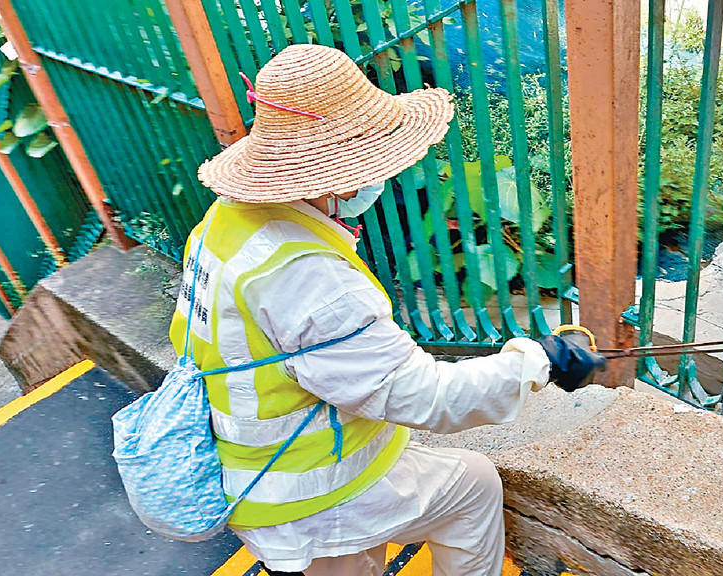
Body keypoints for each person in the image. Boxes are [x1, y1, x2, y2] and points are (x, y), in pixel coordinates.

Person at [168, 44, 605, 576]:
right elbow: (423, 397)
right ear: (339, 172)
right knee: (471, 488)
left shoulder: (227, 223)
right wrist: (539, 361)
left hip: (249, 463)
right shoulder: (311, 278)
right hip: (308, 491)